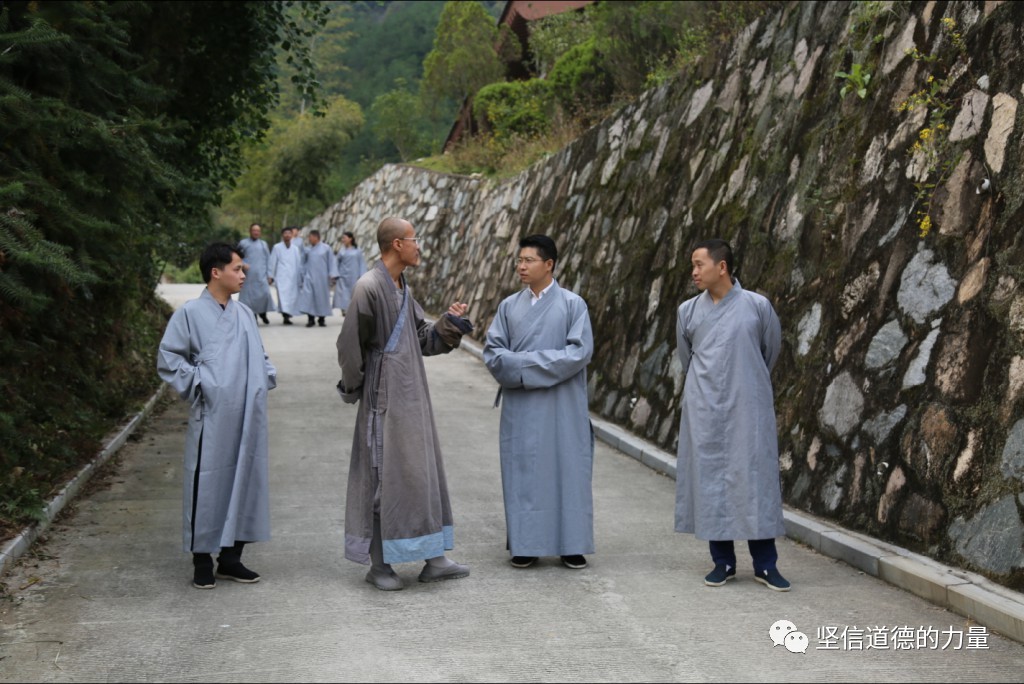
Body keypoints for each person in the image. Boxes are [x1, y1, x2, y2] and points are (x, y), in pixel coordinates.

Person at [336, 216, 474, 591]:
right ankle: (379, 565)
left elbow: (422, 340)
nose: (419, 246)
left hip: (413, 395)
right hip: (384, 398)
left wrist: (449, 323)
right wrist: (355, 388)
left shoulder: (402, 288)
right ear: (397, 244)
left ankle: (434, 558)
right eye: (414, 240)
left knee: (420, 472)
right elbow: (349, 345)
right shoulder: (368, 287)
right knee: (385, 476)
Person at [156, 242, 277, 589]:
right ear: (216, 272)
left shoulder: (245, 314)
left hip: (246, 414)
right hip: (212, 414)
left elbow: (261, 356)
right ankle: (201, 559)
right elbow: (170, 359)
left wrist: (264, 376)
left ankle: (231, 558)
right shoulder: (190, 314)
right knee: (206, 481)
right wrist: (202, 384)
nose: (244, 274)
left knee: (244, 479)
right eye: (237, 269)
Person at [674, 238, 789, 591]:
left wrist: (745, 384)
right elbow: (687, 357)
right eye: (692, 265)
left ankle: (765, 564)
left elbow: (769, 351)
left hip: (747, 408)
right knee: (710, 482)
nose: (693, 272)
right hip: (703, 407)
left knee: (754, 482)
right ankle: (722, 562)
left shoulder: (757, 306)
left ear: (721, 267)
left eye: (699, 264)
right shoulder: (687, 312)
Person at [483, 234, 595, 570]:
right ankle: (525, 543)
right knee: (524, 472)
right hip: (521, 407)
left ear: (549, 264)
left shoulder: (573, 305)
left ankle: (571, 544)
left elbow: (578, 353)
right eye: (519, 260)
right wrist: (531, 366)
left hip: (562, 405)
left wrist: (524, 365)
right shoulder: (508, 306)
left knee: (567, 469)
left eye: (528, 260)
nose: (521, 266)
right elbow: (494, 353)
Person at [237, 223, 276, 325]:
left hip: (261, 276)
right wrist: (242, 264)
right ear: (250, 231)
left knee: (264, 295)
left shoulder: (263, 244)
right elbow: (236, 256)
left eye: (258, 231)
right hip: (248, 277)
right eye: (254, 230)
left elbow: (269, 260)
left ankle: (263, 314)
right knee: (249, 299)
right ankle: (252, 316)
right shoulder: (243, 243)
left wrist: (270, 275)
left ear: (260, 232)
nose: (256, 232)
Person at [298, 229, 338, 327]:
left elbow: (331, 262)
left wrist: (332, 274)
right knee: (309, 298)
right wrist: (302, 275)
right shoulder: (307, 249)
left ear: (316, 237)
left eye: (310, 237)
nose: (309, 239)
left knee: (322, 298)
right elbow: (302, 263)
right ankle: (310, 319)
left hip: (322, 278)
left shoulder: (326, 248)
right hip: (309, 277)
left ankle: (321, 319)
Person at [268, 227, 302, 325]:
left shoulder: (295, 249)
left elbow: (298, 263)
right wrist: (271, 275)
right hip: (281, 277)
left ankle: (288, 314)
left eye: (289, 233)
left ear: (292, 235)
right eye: (285, 233)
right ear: (282, 235)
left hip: (293, 277)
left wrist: (300, 277)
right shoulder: (277, 247)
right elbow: (272, 262)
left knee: (292, 297)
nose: (287, 235)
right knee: (283, 297)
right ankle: (285, 316)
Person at [332, 230, 367, 315]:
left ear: (350, 239)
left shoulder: (357, 250)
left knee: (353, 293)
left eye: (344, 238)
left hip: (354, 276)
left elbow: (361, 263)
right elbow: (336, 262)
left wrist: (362, 275)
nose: (343, 239)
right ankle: (344, 310)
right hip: (343, 276)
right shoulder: (342, 250)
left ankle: (352, 310)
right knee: (343, 294)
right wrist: (335, 274)